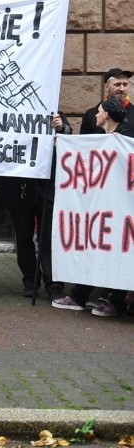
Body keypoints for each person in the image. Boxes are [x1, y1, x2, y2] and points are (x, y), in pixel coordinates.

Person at [52, 98, 132, 317]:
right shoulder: (106, 139)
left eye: (98, 111)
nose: (94, 115)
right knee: (96, 250)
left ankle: (113, 300)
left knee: (117, 252)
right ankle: (81, 295)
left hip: (119, 211)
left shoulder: (125, 139)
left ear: (106, 114)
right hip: (103, 208)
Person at [0, 113, 71, 301]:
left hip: (47, 187)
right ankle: (30, 280)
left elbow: (70, 143)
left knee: (48, 237)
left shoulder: (55, 114)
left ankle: (53, 284)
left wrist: (62, 129)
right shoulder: (13, 114)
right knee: (23, 236)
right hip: (21, 188)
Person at [79, 67, 132, 134]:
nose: (122, 89)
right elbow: (84, 142)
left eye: (125, 84)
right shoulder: (91, 114)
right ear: (106, 87)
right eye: (117, 84)